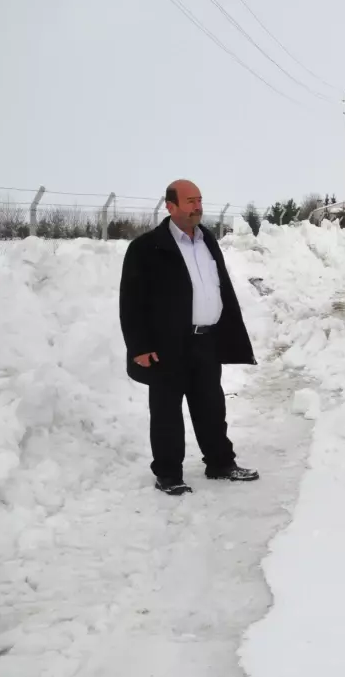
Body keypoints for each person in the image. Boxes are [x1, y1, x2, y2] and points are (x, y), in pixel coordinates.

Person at [119, 179, 259, 496]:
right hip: (168, 346)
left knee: (212, 406)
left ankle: (220, 463)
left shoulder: (206, 240)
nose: (197, 207)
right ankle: (168, 473)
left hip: (205, 342)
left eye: (199, 200)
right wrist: (139, 347)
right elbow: (131, 302)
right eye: (189, 201)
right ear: (170, 206)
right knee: (167, 412)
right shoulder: (146, 248)